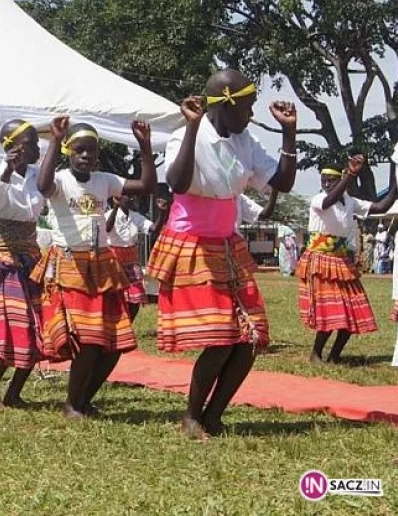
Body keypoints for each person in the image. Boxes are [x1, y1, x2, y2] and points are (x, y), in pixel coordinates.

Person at [147, 69, 297, 439]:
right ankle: (191, 416)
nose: (251, 114)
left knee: (250, 339)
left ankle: (214, 415)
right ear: (226, 102)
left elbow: (283, 182)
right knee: (220, 341)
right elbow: (178, 182)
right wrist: (194, 128)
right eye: (246, 106)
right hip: (192, 244)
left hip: (228, 245)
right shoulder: (184, 136)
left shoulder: (247, 140)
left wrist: (290, 132)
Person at [36, 117, 157, 418]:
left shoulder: (105, 180)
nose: (86, 155)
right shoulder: (61, 180)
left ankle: (84, 400)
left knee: (114, 343)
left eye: (91, 150)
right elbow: (42, 185)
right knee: (89, 341)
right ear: (68, 151)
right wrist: (53, 139)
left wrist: (144, 145)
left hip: (102, 265)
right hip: (71, 265)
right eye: (79, 150)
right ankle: (71, 404)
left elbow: (146, 185)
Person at [0, 119, 45, 408]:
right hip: (1, 260)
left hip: (30, 257)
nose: (38, 147)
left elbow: (35, 208)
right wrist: (6, 171)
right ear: (12, 146)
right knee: (9, 324)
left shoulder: (40, 177)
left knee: (36, 326)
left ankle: (15, 390)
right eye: (32, 142)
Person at [298, 157, 396, 363]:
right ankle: (315, 354)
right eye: (323, 180)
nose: (326, 184)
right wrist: (350, 175)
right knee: (331, 311)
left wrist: (395, 179)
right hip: (321, 260)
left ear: (340, 180)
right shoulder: (318, 199)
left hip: (341, 261)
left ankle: (334, 356)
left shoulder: (351, 202)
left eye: (331, 180)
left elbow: (381, 207)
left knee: (353, 311)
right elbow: (328, 201)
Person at [105, 195, 156, 322]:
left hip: (131, 258)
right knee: (114, 295)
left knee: (136, 295)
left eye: (133, 196)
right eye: (127, 196)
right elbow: (107, 228)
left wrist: (162, 211)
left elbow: (153, 228)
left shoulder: (135, 217)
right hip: (113, 257)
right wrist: (116, 207)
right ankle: (115, 324)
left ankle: (128, 324)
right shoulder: (108, 215)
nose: (131, 198)